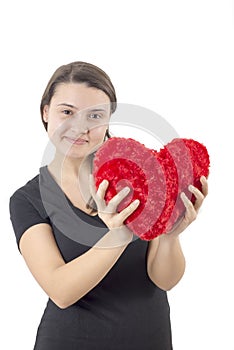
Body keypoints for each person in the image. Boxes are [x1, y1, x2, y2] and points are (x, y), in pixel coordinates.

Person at [9, 61, 208, 350]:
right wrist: (119, 233)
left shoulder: (139, 175)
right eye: (67, 112)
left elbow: (164, 280)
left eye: (95, 115)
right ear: (45, 112)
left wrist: (170, 234)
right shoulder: (28, 199)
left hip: (151, 340)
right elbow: (61, 290)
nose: (80, 127)